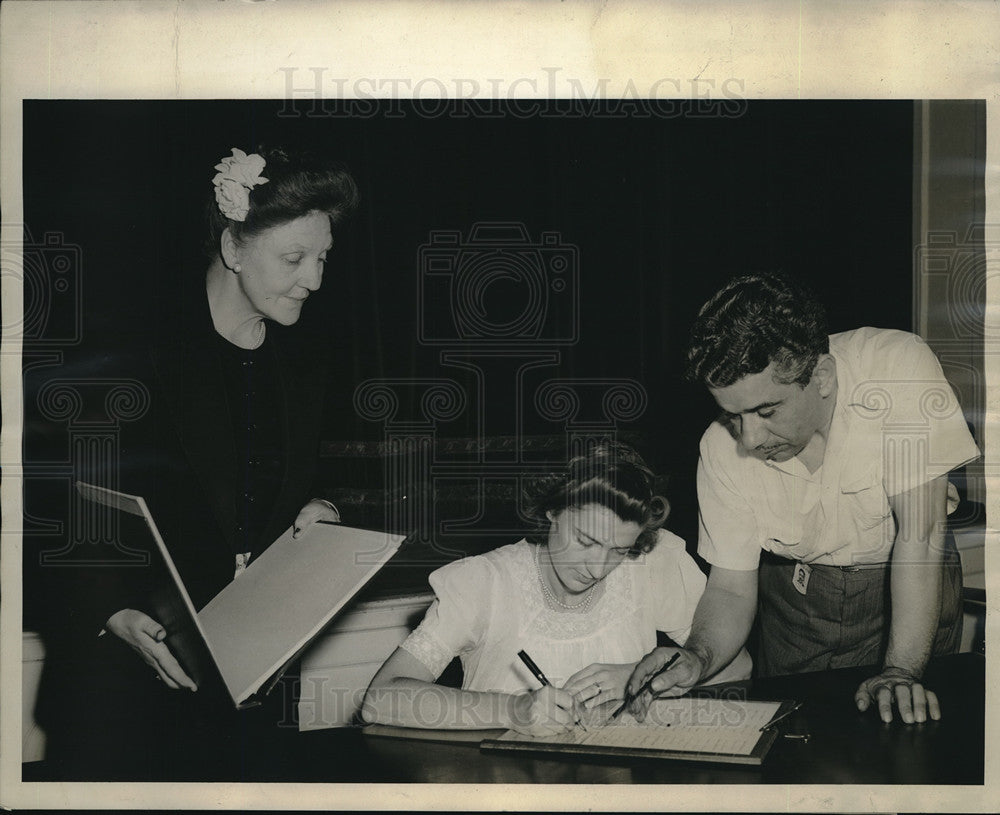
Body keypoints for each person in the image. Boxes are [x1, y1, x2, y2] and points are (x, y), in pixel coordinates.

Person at [38, 144, 359, 778]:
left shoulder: (307, 351)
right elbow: (54, 493)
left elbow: (333, 467)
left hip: (255, 688)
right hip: (126, 685)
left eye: (323, 257)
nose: (315, 280)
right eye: (294, 259)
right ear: (233, 247)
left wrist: (324, 504)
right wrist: (111, 608)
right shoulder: (130, 343)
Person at [626, 273, 979, 726]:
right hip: (799, 601)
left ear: (823, 376)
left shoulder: (896, 369)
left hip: (910, 582)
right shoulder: (718, 447)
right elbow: (731, 587)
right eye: (733, 415)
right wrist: (696, 656)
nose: (749, 439)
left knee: (905, 739)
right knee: (797, 740)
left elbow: (922, 531)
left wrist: (901, 669)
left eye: (766, 411)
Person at [361, 441, 751, 735]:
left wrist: (644, 677)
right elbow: (380, 699)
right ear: (552, 511)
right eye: (585, 540)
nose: (598, 568)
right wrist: (514, 711)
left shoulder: (651, 567)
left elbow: (737, 665)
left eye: (618, 549)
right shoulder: (485, 582)